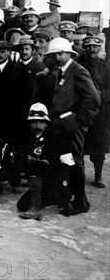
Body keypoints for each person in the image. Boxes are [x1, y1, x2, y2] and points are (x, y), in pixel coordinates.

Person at [42, 37, 101, 215]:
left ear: (69, 53)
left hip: (72, 127)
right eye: (55, 54)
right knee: (63, 161)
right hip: (60, 126)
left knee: (75, 162)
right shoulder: (61, 70)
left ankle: (81, 202)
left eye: (61, 53)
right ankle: (63, 196)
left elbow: (94, 100)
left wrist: (77, 120)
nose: (58, 57)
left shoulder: (78, 71)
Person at [0, 40, 33, 191]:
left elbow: (25, 98)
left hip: (14, 119)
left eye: (3, 52)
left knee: (14, 151)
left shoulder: (20, 71)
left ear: (9, 53)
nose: (0, 55)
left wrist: (21, 118)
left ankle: (15, 180)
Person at [17, 103, 71, 220]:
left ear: (46, 123)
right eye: (33, 122)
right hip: (40, 182)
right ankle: (43, 201)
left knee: (37, 164)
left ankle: (37, 207)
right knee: (21, 206)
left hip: (56, 181)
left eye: (41, 122)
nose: (37, 125)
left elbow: (68, 167)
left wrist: (64, 189)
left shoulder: (57, 137)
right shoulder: (28, 139)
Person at [80, 34, 110, 188]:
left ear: (100, 48)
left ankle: (98, 175)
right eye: (89, 47)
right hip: (82, 110)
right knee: (79, 143)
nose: (92, 50)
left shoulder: (106, 68)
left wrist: (101, 94)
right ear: (84, 48)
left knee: (99, 146)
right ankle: (80, 173)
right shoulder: (78, 65)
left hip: (100, 112)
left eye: (95, 47)